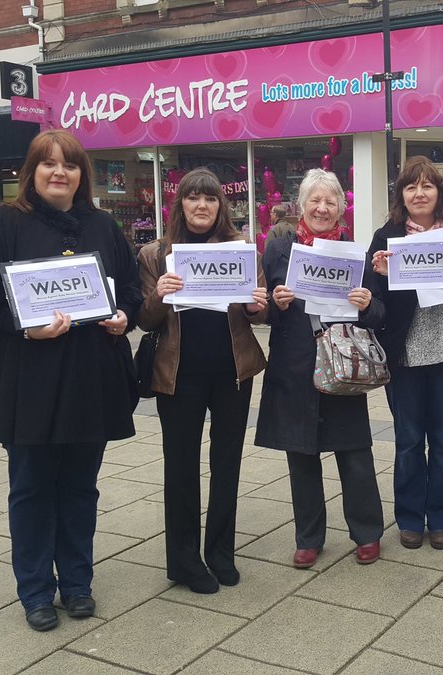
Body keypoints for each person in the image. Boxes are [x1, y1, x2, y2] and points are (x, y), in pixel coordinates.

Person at [0, 129, 141, 632]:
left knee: (79, 486)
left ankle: (76, 583)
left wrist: (124, 316)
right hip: (28, 379)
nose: (59, 173)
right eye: (48, 164)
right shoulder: (3, 223)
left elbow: (131, 290)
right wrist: (21, 325)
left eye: (69, 165)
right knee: (30, 487)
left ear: (81, 175)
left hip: (88, 379)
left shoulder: (101, 226)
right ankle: (35, 591)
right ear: (32, 172)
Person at [138, 168, 268, 594]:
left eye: (210, 199)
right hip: (177, 375)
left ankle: (220, 553)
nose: (201, 205)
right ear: (180, 203)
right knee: (181, 468)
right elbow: (143, 319)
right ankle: (185, 561)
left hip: (232, 371)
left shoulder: (241, 249)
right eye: (193, 197)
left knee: (226, 465)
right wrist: (160, 292)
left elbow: (260, 311)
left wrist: (254, 306)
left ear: (220, 206)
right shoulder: (156, 254)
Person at [255, 168, 386, 569]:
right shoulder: (279, 250)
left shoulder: (354, 253)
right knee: (301, 456)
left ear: (341, 209)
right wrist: (274, 306)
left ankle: (367, 533)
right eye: (315, 200)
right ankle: (309, 537)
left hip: (342, 365)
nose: (322, 208)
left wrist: (366, 305)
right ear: (301, 207)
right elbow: (262, 315)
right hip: (294, 367)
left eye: (331, 201)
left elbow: (380, 315)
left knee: (355, 455)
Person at [367, 156, 443, 550]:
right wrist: (379, 276)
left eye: (427, 186)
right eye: (410, 187)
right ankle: (408, 518)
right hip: (403, 357)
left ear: (439, 192)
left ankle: (440, 518)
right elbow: (371, 303)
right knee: (406, 441)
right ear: (401, 195)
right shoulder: (386, 237)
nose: (419, 194)